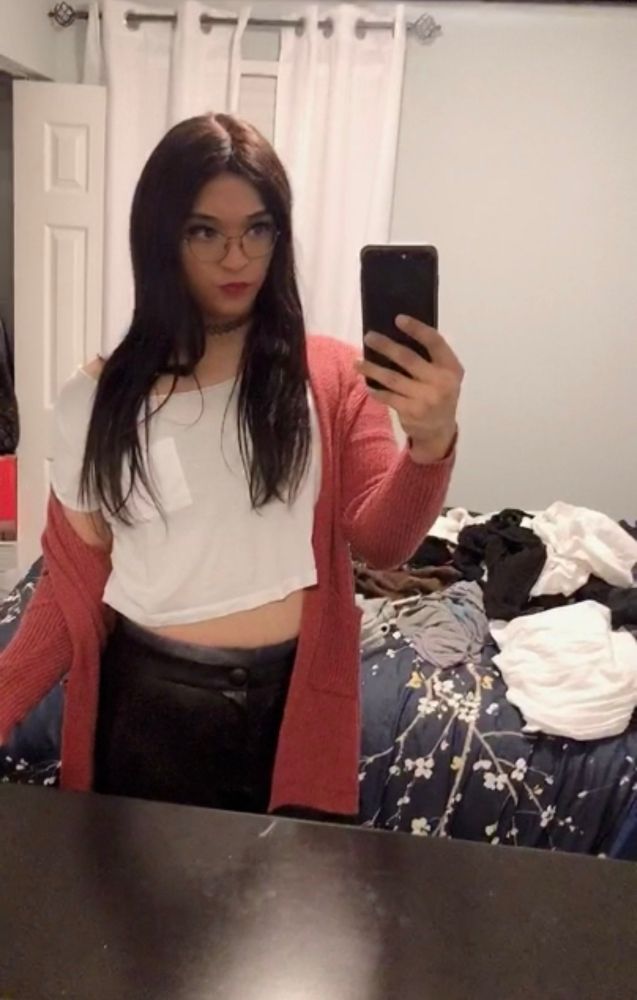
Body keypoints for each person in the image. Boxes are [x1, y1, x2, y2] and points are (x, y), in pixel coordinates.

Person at [0, 114, 462, 820]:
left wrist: (429, 444)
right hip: (149, 708)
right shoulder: (94, 401)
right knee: (140, 897)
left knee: (287, 894)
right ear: (161, 239)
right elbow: (70, 589)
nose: (236, 257)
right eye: (204, 232)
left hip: (292, 707)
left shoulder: (330, 377)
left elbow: (381, 544)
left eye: (257, 229)